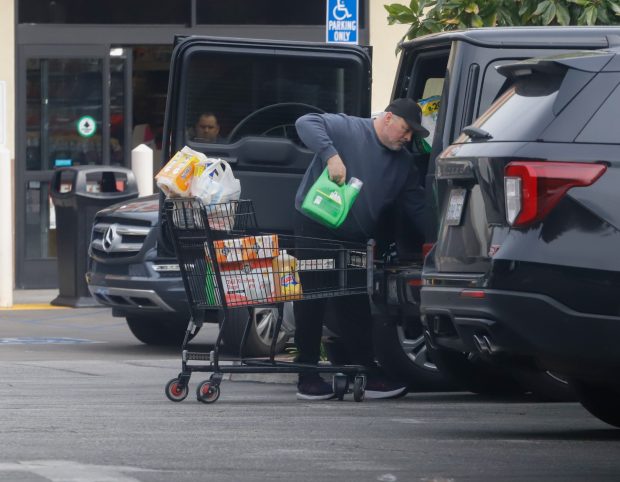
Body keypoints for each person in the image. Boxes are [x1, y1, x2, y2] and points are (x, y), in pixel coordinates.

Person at [293, 97, 429, 401]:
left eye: (412, 135)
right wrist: (331, 156)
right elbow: (305, 122)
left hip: (354, 236)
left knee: (353, 302)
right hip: (316, 225)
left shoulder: (404, 164)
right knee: (312, 297)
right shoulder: (350, 129)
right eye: (406, 130)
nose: (407, 139)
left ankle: (365, 371)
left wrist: (441, 238)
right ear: (389, 118)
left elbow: (417, 207)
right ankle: (307, 375)